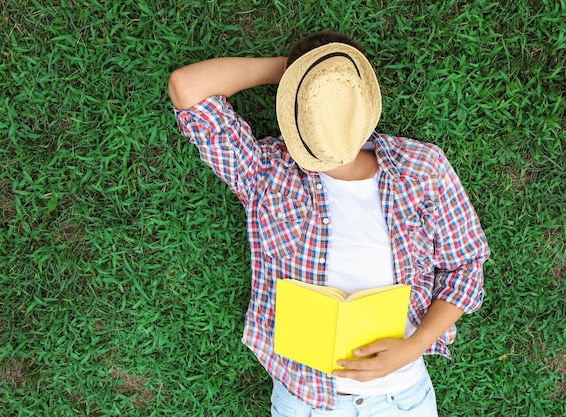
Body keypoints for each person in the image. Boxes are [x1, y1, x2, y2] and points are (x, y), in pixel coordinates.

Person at [168, 31, 490, 416]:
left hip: (401, 397)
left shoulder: (421, 167)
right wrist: (295, 74)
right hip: (305, 400)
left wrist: (415, 344)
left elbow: (465, 267)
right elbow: (186, 87)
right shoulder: (266, 170)